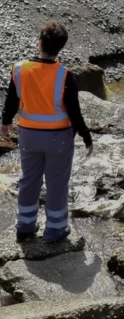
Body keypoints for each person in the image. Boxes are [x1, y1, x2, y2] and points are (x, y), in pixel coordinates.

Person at [1, 22, 93, 243]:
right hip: (59, 138)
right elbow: (74, 112)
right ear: (60, 48)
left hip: (28, 136)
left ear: (39, 43)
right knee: (57, 182)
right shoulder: (65, 75)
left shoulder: (19, 69)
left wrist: (5, 123)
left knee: (28, 180)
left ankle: (24, 226)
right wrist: (86, 137)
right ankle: (55, 229)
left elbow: (12, 102)